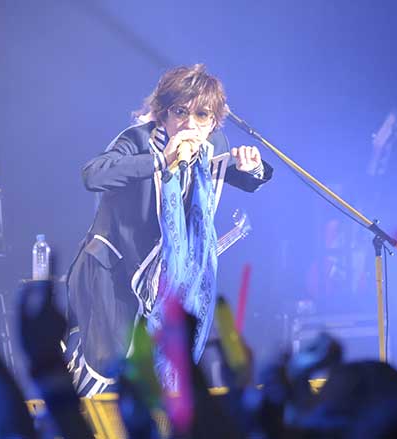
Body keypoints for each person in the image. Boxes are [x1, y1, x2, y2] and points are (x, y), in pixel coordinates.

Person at [64, 64, 273, 396]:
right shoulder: (138, 139)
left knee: (168, 369)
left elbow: (243, 176)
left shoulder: (213, 146)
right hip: (115, 269)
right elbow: (94, 174)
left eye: (201, 115)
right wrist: (161, 160)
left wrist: (254, 167)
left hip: (168, 281)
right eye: (180, 112)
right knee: (107, 366)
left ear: (213, 122)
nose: (190, 124)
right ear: (163, 114)